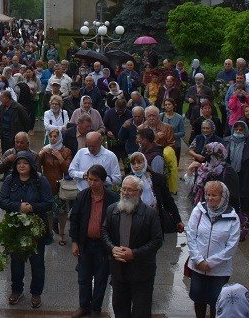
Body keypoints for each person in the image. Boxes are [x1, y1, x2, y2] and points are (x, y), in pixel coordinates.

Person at [0, 150, 53, 309]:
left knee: (37, 263)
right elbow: (1, 200)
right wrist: (18, 207)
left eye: (25, 163)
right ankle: (17, 290)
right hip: (16, 228)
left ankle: (36, 293)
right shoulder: (10, 179)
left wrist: (32, 207)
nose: (21, 165)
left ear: (31, 165)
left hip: (36, 229)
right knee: (16, 262)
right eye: (19, 163)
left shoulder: (40, 180)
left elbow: (49, 203)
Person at [101, 175, 163, 318]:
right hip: (118, 270)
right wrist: (112, 248)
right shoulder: (112, 210)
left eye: (130, 190)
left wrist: (134, 253)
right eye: (123, 189)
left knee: (141, 311)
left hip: (142, 272)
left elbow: (157, 241)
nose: (125, 193)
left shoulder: (150, 213)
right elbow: (104, 231)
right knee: (120, 308)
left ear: (139, 192)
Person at [69, 164, 117, 318]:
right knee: (83, 277)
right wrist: (74, 241)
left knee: (101, 278)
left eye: (95, 180)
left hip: (103, 246)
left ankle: (96, 308)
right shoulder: (82, 196)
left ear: (103, 181)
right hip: (85, 243)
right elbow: (75, 219)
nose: (91, 183)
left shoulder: (113, 199)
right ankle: (84, 306)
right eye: (89, 179)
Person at [186, 181, 240, 318]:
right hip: (198, 266)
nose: (210, 198)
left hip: (219, 270)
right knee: (198, 298)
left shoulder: (233, 217)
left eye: (214, 195)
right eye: (207, 194)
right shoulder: (199, 210)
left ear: (223, 196)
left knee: (216, 301)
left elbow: (231, 246)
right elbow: (191, 235)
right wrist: (199, 260)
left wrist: (210, 263)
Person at [128, 152, 182, 235]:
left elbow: (168, 200)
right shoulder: (128, 179)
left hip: (155, 218)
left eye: (139, 162)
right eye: (133, 163)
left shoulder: (157, 178)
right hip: (135, 220)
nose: (136, 166)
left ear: (145, 162)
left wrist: (178, 220)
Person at [38, 128, 73, 244]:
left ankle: (62, 233)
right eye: (51, 136)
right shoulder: (45, 150)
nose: (53, 139)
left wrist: (60, 157)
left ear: (60, 137)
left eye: (55, 136)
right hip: (47, 185)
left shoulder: (66, 151)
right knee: (48, 211)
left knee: (62, 211)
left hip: (60, 186)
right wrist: (41, 154)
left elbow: (68, 170)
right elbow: (36, 166)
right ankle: (50, 233)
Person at [221, 121, 249, 213]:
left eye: (241, 130)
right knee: (229, 198)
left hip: (246, 177)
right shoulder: (225, 141)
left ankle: (244, 218)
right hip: (229, 176)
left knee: (244, 202)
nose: (238, 131)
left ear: (245, 131)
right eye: (236, 129)